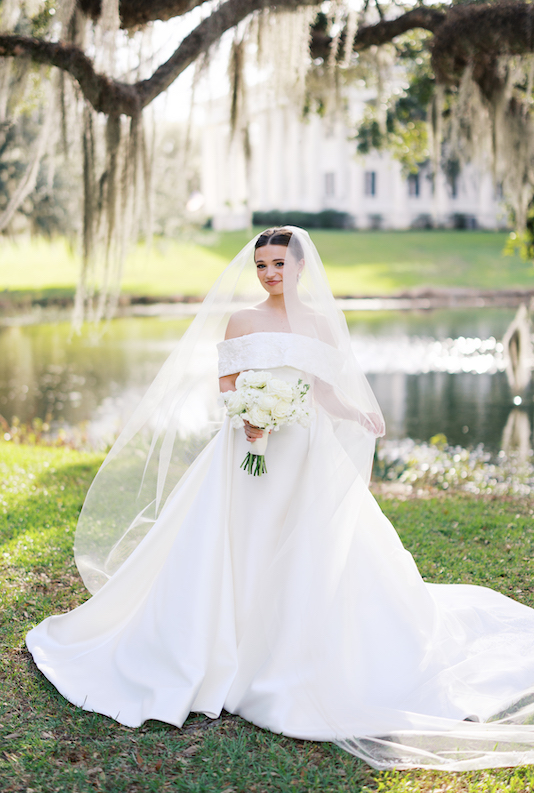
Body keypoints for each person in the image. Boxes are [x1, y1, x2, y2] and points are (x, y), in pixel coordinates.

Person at [26, 228, 534, 771]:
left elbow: (324, 390)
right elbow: (226, 382)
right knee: (237, 539)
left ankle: (295, 644)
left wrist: (357, 413)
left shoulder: (318, 324)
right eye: (262, 265)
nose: (271, 274)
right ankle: (220, 644)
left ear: (300, 268)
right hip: (245, 451)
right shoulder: (242, 320)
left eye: (279, 265)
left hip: (305, 452)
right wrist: (247, 412)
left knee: (310, 543)